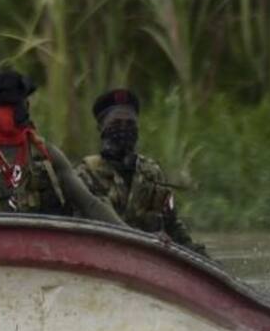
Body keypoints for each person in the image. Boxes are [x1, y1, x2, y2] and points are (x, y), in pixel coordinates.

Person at [0, 67, 123, 225]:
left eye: (15, 106)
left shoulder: (45, 155)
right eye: (3, 107)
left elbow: (89, 204)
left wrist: (133, 237)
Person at [75, 88, 206, 254]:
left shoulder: (152, 173)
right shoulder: (86, 174)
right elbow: (81, 229)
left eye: (130, 124)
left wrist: (200, 256)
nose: (124, 129)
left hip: (150, 260)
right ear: (101, 128)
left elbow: (173, 226)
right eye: (116, 124)